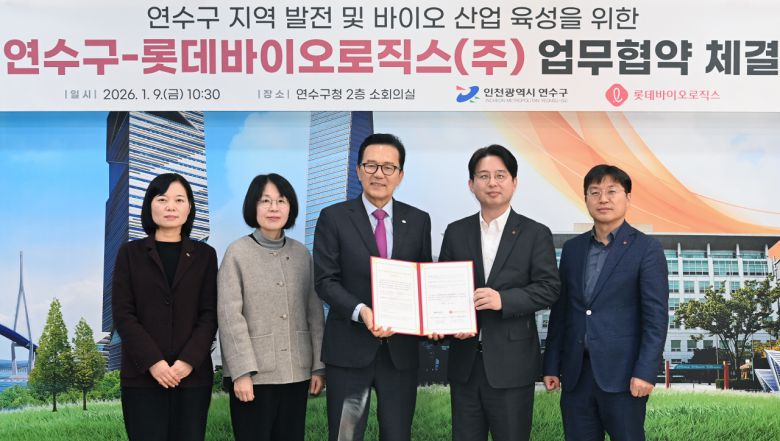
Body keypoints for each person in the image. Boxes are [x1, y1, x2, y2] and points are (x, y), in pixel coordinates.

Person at [313, 133, 432, 441]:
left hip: (400, 352)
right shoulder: (333, 217)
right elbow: (325, 280)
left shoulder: (419, 221)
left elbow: (424, 281)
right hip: (349, 349)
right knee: (345, 436)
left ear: (400, 175)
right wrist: (362, 311)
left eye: (388, 167)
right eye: (371, 165)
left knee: (397, 434)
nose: (379, 174)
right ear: (358, 170)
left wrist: (433, 318)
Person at [437, 144, 560, 441]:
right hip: (465, 364)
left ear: (514, 182)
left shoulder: (535, 233)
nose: (492, 183)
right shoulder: (456, 232)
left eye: (500, 175)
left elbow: (549, 288)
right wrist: (449, 324)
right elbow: (442, 289)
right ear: (471, 184)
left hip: (512, 365)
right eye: (483, 176)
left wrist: (502, 299)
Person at [543, 164, 669, 441]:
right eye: (595, 192)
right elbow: (561, 312)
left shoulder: (646, 249)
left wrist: (646, 372)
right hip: (576, 375)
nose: (603, 199)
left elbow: (656, 319)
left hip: (624, 377)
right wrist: (551, 364)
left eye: (612, 191)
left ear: (627, 198)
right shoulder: (573, 249)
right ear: (586, 198)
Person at [218, 173, 325, 441]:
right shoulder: (237, 252)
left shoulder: (302, 254)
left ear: (291, 207)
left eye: (281, 201)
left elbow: (314, 313)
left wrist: (318, 367)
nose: (273, 208)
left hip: (297, 373)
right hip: (255, 376)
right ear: (252, 207)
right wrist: (241, 372)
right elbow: (230, 317)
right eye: (265, 201)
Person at [112, 173, 218, 441]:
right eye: (162, 199)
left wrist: (187, 361)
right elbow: (123, 314)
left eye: (179, 200)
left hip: (192, 378)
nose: (171, 206)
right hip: (142, 378)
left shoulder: (205, 255)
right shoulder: (129, 253)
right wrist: (154, 362)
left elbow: (210, 314)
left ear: (189, 207)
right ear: (149, 205)